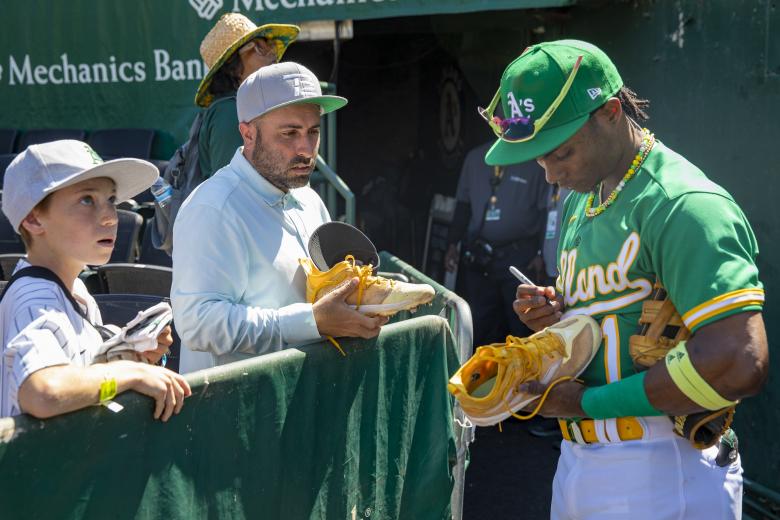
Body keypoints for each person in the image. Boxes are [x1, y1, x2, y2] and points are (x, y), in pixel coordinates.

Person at [486, 40, 767, 518]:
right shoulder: (582, 193)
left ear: (611, 111)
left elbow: (741, 360)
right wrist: (560, 317)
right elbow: (613, 314)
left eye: (562, 152)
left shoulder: (684, 203)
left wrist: (587, 403)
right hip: (579, 461)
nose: (551, 173)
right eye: (538, 158)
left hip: (663, 462)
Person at [172, 62, 388, 372]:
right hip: (236, 414)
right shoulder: (213, 208)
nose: (305, 148)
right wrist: (311, 322)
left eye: (313, 132)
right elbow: (198, 324)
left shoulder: (309, 199)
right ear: (248, 134)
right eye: (289, 133)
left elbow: (321, 295)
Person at [0, 140, 191, 420]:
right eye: (86, 199)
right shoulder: (37, 299)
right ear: (33, 220)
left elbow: (77, 379)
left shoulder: (74, 288)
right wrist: (128, 374)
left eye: (111, 200)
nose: (110, 217)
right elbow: (42, 395)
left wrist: (129, 355)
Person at [444, 141, 547, 345]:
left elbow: (547, 212)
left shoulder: (535, 160)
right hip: (479, 255)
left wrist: (541, 253)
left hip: (520, 256)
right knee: (480, 321)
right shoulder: (475, 158)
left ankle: (521, 373)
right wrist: (452, 244)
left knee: (521, 325)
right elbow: (463, 206)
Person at [195, 13, 299, 178]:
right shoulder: (228, 111)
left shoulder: (247, 107)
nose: (272, 52)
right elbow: (229, 188)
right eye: (258, 47)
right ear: (233, 66)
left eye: (269, 44)